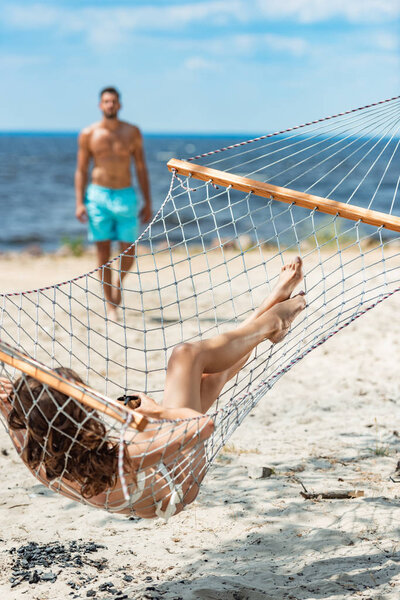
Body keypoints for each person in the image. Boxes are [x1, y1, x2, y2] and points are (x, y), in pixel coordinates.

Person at [0, 257, 305, 520]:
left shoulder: (34, 445)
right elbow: (202, 425)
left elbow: (20, 395)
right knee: (186, 356)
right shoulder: (118, 459)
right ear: (79, 415)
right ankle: (270, 323)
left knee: (209, 379)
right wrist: (153, 409)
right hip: (177, 484)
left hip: (146, 478)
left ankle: (269, 315)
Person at [75, 86, 152, 319]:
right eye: (106, 101)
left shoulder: (132, 132)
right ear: (100, 105)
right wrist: (79, 202)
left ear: (119, 105)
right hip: (98, 196)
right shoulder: (89, 133)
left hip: (125, 195)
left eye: (113, 101)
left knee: (128, 253)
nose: (110, 105)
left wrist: (147, 201)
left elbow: (140, 167)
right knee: (102, 252)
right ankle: (110, 304)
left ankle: (117, 285)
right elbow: (81, 170)